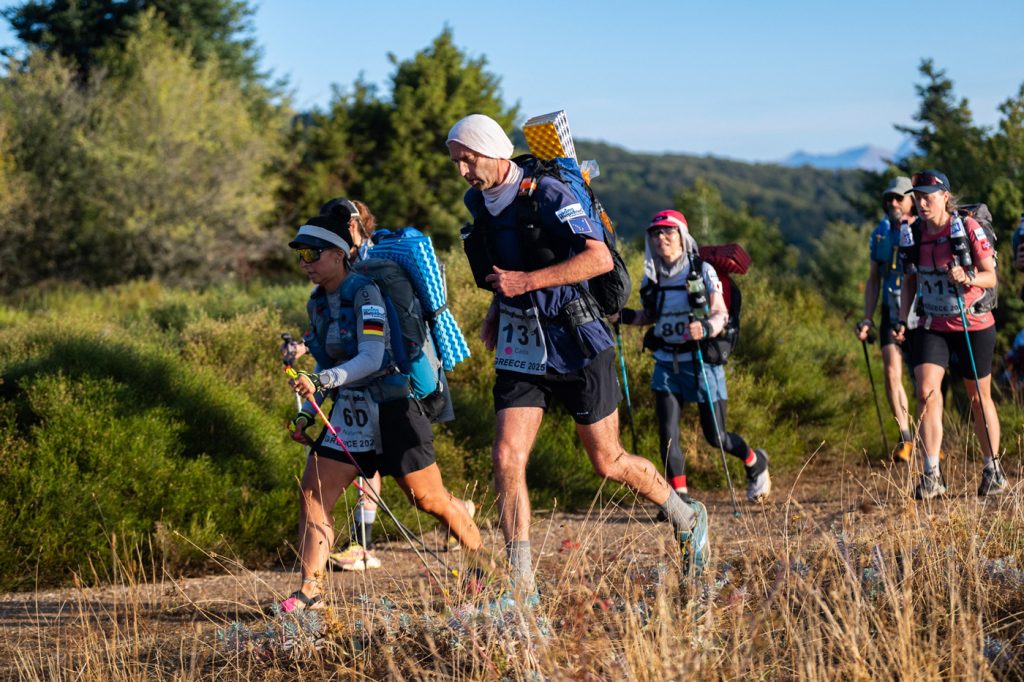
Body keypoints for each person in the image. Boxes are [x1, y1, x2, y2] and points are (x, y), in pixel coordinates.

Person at [446, 113, 709, 594]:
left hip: (577, 338)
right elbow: (507, 264)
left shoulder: (547, 193)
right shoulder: (477, 203)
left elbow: (598, 258)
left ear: (494, 151)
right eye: (456, 162)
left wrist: (526, 283)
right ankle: (522, 588)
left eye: (468, 160)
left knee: (607, 461)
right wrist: (496, 307)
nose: (463, 171)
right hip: (522, 343)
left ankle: (686, 516)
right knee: (507, 456)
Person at [280, 210, 490, 611]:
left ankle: (484, 566)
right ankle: (310, 591)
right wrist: (310, 409)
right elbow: (328, 363)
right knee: (314, 493)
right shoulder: (317, 304)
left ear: (340, 253)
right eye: (300, 255)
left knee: (429, 500)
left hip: (394, 408)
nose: (305, 263)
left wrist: (323, 382)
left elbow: (373, 357)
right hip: (348, 411)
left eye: (313, 253)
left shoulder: (367, 292)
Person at [616, 209, 771, 503]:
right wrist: (621, 316)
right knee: (668, 436)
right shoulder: (653, 277)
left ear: (682, 236)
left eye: (667, 232)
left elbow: (720, 315)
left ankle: (755, 461)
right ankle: (679, 500)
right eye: (655, 233)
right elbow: (650, 316)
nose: (661, 238)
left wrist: (706, 327)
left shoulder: (701, 270)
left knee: (716, 437)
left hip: (701, 363)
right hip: (665, 362)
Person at [892, 170, 1007, 498]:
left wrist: (967, 276)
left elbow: (991, 277)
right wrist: (903, 318)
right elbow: (910, 281)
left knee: (977, 397)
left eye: (929, 195)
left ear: (945, 196)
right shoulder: (914, 233)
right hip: (934, 325)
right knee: (926, 392)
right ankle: (931, 474)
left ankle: (992, 469)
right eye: (918, 195)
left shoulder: (966, 228)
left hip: (973, 323)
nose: (922, 201)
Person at [855, 177, 917, 462]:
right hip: (889, 311)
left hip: (919, 310)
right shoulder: (879, 234)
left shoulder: (921, 229)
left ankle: (931, 438)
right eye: (888, 198)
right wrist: (867, 317)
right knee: (892, 372)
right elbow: (873, 279)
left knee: (923, 378)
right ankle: (906, 438)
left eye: (898, 197)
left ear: (911, 199)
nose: (892, 203)